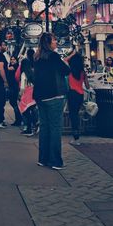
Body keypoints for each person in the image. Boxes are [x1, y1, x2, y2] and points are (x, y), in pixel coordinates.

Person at [33, 32, 71, 170]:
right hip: (54, 95)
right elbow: (66, 71)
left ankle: (43, 159)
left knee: (44, 127)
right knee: (55, 127)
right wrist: (65, 61)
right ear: (49, 43)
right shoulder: (54, 56)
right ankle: (55, 160)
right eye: (54, 40)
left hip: (40, 96)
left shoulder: (37, 57)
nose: (56, 42)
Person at [66, 48, 90, 146]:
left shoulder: (70, 71)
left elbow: (65, 60)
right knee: (76, 115)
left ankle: (76, 138)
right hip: (80, 95)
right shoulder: (83, 72)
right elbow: (87, 86)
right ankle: (77, 137)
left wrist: (72, 54)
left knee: (73, 116)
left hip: (72, 94)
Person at [19, 48, 38, 136]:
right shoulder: (35, 70)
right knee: (33, 109)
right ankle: (35, 125)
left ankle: (29, 128)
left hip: (27, 94)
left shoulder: (24, 74)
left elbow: (22, 87)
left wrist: (20, 94)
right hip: (35, 92)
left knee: (24, 110)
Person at [7, 56, 22, 127]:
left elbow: (9, 69)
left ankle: (18, 119)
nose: (12, 61)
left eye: (14, 59)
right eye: (11, 59)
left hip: (14, 87)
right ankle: (19, 118)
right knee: (13, 102)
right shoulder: (11, 66)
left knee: (14, 102)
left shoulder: (15, 66)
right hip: (12, 87)